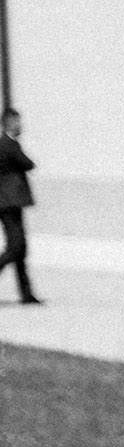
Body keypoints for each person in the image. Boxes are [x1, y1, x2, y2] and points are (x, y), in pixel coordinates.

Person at [0, 108, 42, 305]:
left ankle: (26, 293)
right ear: (9, 123)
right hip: (9, 201)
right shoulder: (8, 144)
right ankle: (26, 293)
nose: (20, 126)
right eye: (17, 122)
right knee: (16, 247)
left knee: (20, 248)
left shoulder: (8, 144)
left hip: (10, 201)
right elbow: (28, 164)